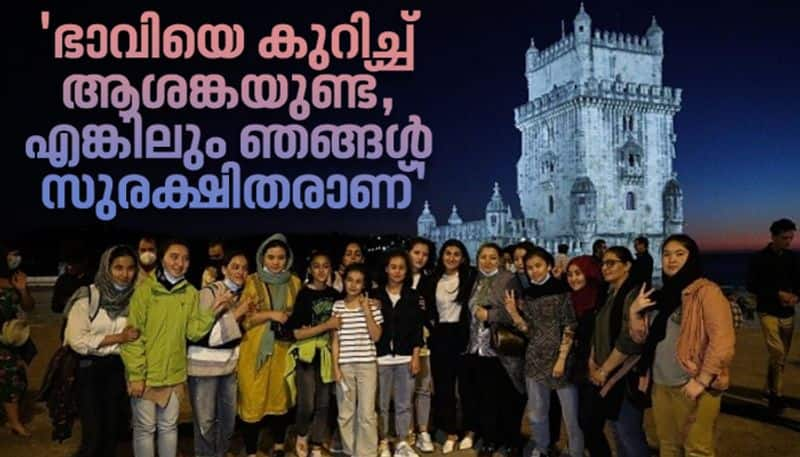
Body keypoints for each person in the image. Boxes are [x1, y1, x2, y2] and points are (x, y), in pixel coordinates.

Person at [629, 234, 735, 457]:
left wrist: (702, 380)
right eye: (666, 254)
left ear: (692, 257)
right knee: (668, 446)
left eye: (679, 254)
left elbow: (722, 341)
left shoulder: (706, 292)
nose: (671, 260)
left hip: (692, 384)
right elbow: (640, 340)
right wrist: (634, 313)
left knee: (697, 449)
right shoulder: (660, 296)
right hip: (660, 383)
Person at [121, 239, 219, 457]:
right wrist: (136, 374)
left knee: (168, 427)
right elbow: (132, 336)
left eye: (185, 259)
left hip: (174, 374)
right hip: (145, 374)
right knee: (145, 429)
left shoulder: (190, 292)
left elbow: (193, 332)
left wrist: (212, 312)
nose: (180, 263)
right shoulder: (145, 291)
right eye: (174, 257)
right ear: (162, 258)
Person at [504, 248, 583, 457]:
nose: (534, 271)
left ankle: (576, 451)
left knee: (571, 415)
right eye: (529, 268)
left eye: (538, 266)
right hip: (535, 358)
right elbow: (529, 330)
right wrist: (514, 314)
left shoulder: (562, 291)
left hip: (561, 361)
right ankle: (542, 447)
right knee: (537, 412)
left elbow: (569, 326)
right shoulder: (529, 295)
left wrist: (561, 359)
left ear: (548, 265)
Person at [64, 245, 140, 456]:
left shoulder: (137, 299)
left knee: (112, 434)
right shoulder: (87, 297)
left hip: (118, 370)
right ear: (107, 268)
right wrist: (119, 338)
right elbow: (77, 340)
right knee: (93, 435)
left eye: (130, 268)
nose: (125, 274)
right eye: (118, 268)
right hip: (89, 370)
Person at [237, 234, 302, 457]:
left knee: (280, 400)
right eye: (271, 257)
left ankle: (279, 448)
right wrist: (272, 314)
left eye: (281, 257)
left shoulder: (294, 282)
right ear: (262, 257)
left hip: (283, 350)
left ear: (288, 258)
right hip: (255, 350)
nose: (276, 262)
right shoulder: (252, 281)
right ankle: (252, 451)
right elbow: (245, 319)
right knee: (252, 401)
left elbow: (298, 314)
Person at [187, 250, 254, 457]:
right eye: (235, 266)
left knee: (227, 420)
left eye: (244, 268)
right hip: (204, 368)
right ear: (224, 269)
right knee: (205, 423)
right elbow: (207, 335)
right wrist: (240, 312)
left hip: (228, 367)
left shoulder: (239, 296)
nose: (240, 272)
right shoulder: (210, 292)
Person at [584, 246, 649, 457]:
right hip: (606, 372)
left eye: (611, 263)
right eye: (603, 263)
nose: (605, 267)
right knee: (617, 433)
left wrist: (603, 371)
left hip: (623, 375)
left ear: (627, 265)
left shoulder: (634, 295)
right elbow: (598, 330)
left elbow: (629, 339)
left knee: (628, 433)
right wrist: (593, 362)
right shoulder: (609, 293)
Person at [467, 243, 525, 457]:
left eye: (493, 257)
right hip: (479, 349)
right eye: (483, 257)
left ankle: (512, 441)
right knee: (486, 397)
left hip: (502, 349)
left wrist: (490, 316)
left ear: (500, 259)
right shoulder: (477, 280)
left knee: (507, 398)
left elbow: (516, 312)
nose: (487, 261)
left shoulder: (508, 279)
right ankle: (491, 439)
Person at [284, 251, 342, 457]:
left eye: (325, 266)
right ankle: (301, 434)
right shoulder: (304, 294)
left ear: (331, 269)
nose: (321, 270)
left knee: (324, 403)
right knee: (307, 403)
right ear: (310, 269)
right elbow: (297, 333)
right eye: (316, 266)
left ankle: (316, 443)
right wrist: (324, 326)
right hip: (307, 355)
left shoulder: (336, 296)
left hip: (326, 354)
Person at [420, 240, 476, 454]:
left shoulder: (471, 277)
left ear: (462, 258)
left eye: (456, 254)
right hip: (440, 336)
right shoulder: (431, 279)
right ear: (441, 256)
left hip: (464, 336)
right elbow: (424, 308)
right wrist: (431, 325)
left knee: (467, 388)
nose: (451, 258)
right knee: (443, 388)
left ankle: (470, 431)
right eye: (448, 253)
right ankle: (451, 432)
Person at [747, 218, 799, 413]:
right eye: (785, 237)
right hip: (767, 311)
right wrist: (777, 293)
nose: (789, 241)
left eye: (791, 238)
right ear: (773, 236)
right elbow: (752, 286)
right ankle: (776, 395)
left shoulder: (793, 258)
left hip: (788, 313)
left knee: (780, 357)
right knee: (777, 353)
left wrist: (795, 296)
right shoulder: (759, 258)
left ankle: (767, 390)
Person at [331, 264, 384, 457]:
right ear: (344, 281)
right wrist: (335, 366)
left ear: (364, 284)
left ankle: (367, 453)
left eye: (358, 281)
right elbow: (335, 339)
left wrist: (367, 311)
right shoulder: (337, 306)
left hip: (367, 364)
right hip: (345, 365)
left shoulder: (370, 305)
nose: (353, 285)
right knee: (346, 413)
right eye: (350, 280)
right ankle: (349, 450)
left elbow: (376, 336)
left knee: (367, 414)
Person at [376, 251, 424, 457]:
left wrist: (415, 356)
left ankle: (403, 441)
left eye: (401, 268)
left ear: (407, 271)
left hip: (405, 357)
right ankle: (383, 440)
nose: (397, 271)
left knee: (404, 403)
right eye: (393, 267)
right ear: (386, 269)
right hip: (381, 357)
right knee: (382, 403)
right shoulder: (375, 295)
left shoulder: (413, 296)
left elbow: (417, 329)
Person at [0, 245, 35, 437]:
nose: (15, 259)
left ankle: (14, 422)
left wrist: (22, 290)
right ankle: (12, 420)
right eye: (12, 255)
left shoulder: (17, 279)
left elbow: (29, 306)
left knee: (14, 378)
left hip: (9, 339)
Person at [406, 237, 436, 453]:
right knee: (403, 389)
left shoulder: (431, 281)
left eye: (425, 254)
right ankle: (407, 431)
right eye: (417, 252)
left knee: (423, 386)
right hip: (398, 340)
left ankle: (423, 430)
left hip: (423, 338)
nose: (420, 258)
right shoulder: (395, 276)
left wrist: (426, 308)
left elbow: (435, 313)